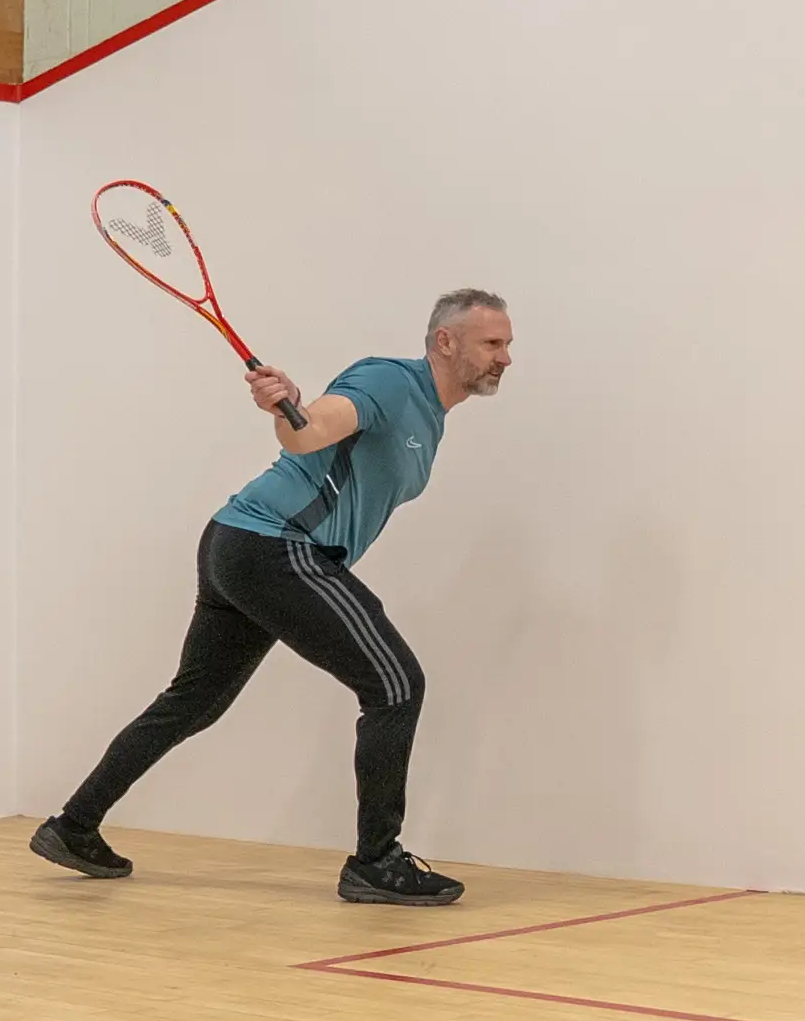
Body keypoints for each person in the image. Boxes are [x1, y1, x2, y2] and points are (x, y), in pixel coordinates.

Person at [35, 288, 514, 904]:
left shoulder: (432, 415)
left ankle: (73, 826)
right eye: (493, 344)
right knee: (395, 686)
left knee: (195, 700)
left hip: (240, 543)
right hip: (275, 545)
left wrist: (299, 417)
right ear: (446, 342)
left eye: (506, 344)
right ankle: (377, 862)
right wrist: (289, 407)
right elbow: (311, 432)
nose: (505, 358)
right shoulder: (391, 382)